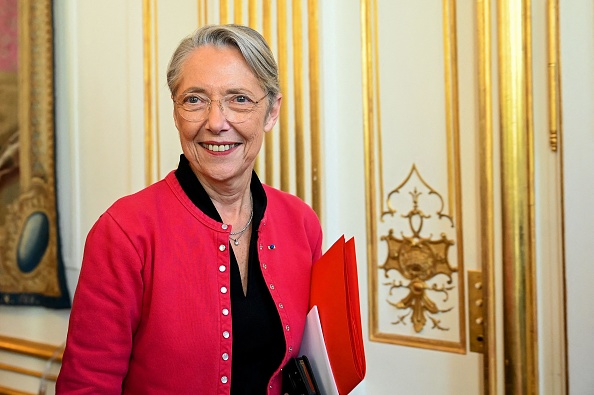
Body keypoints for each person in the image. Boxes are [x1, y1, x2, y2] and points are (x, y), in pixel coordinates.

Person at [57, 24, 323, 395]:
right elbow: (87, 385)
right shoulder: (124, 232)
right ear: (176, 112)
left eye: (240, 99)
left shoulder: (301, 223)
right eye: (195, 99)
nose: (216, 122)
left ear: (271, 112)